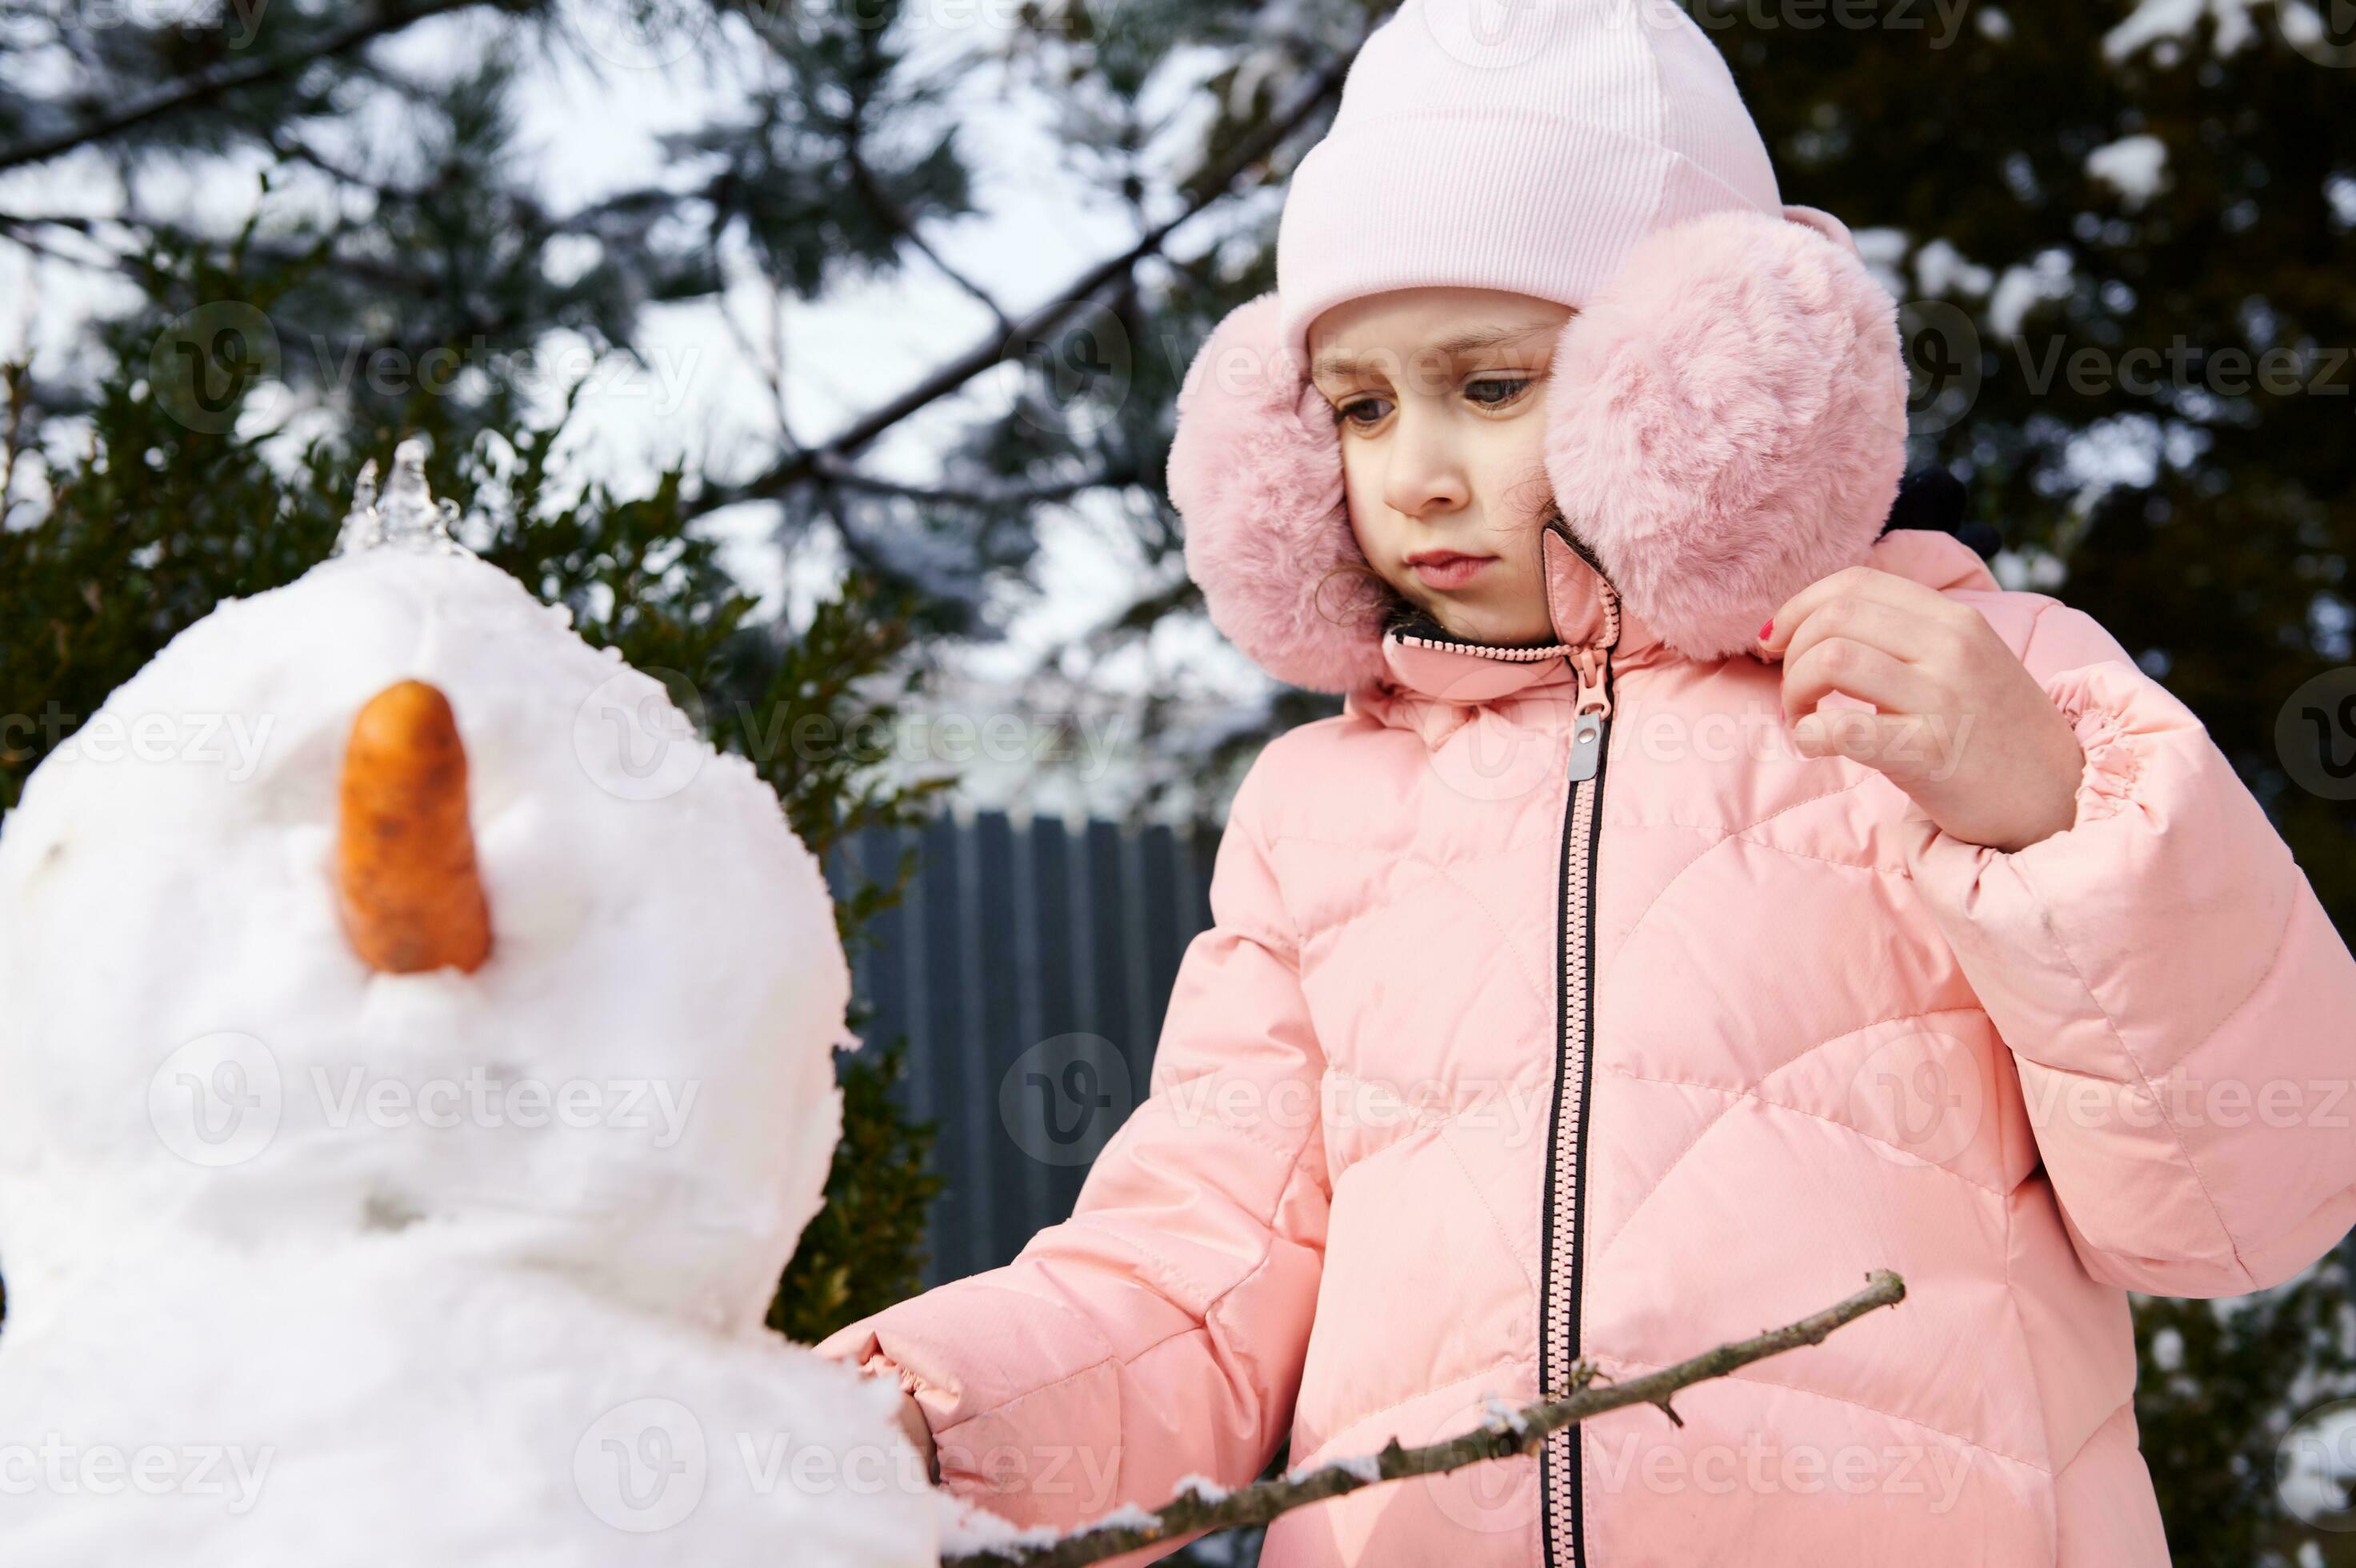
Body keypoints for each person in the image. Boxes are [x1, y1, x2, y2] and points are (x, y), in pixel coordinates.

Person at [816, 3, 2356, 1563]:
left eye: (1489, 387)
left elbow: (2245, 1201)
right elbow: (1194, 1275)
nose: (1412, 469)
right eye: (1360, 402)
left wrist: (2047, 813)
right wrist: (917, 1422)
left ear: (1694, 372)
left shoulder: (1963, 687)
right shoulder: (1320, 809)